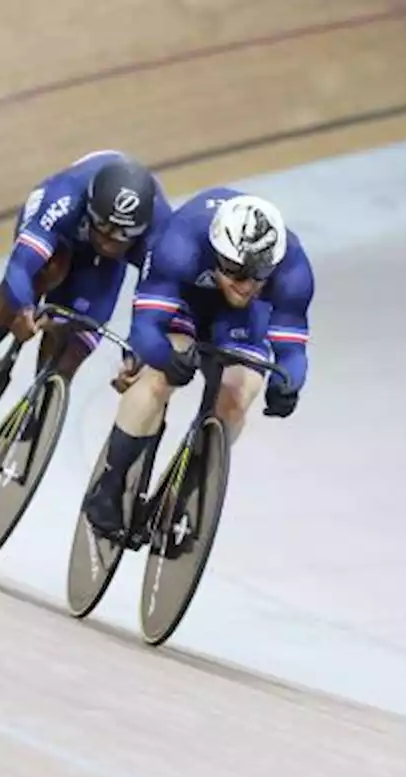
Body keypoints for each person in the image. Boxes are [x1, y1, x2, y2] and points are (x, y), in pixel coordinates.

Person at [82, 187, 314, 537]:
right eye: (236, 271)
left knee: (237, 398)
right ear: (218, 252)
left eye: (258, 274)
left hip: (241, 322)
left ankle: (186, 490)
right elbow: (146, 328)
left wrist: (290, 384)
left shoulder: (292, 268)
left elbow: (293, 351)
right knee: (159, 377)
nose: (247, 285)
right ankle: (110, 484)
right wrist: (161, 357)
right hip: (186, 301)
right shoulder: (181, 244)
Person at [0, 150, 171, 415]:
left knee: (75, 340)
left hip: (106, 264)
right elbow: (21, 265)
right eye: (104, 229)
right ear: (90, 208)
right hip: (59, 234)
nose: (108, 241)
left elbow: (156, 305)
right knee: (47, 270)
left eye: (121, 235)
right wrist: (25, 308)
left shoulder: (160, 233)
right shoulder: (66, 198)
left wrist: (136, 356)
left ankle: (37, 414)